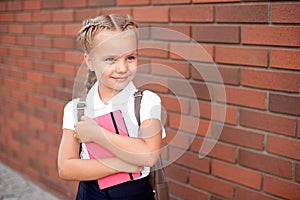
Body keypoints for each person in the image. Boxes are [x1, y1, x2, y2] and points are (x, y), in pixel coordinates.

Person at [57, 14, 164, 200]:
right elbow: (66, 168)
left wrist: (96, 134)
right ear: (90, 61)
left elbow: (148, 155)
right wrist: (121, 164)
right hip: (90, 194)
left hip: (135, 194)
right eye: (110, 59)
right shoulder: (75, 109)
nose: (122, 68)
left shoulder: (147, 101)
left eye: (130, 57)